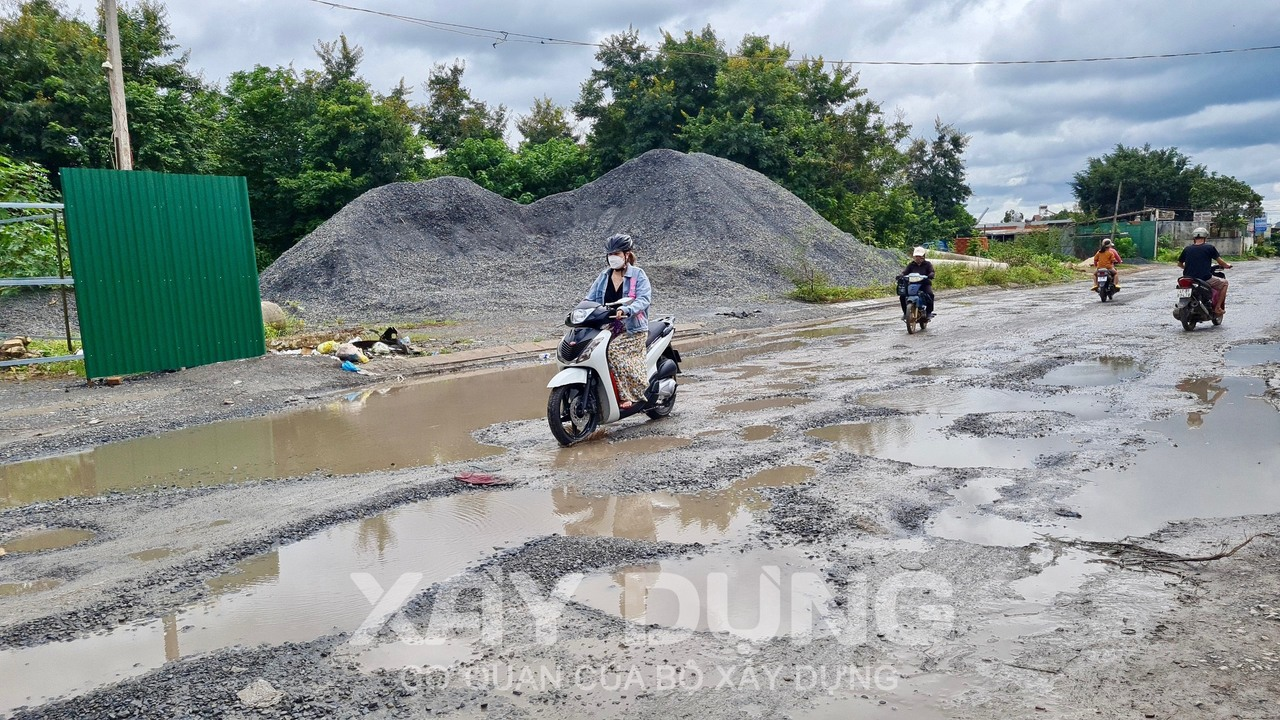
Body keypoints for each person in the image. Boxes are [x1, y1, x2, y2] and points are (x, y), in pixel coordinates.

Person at [583, 233, 652, 410]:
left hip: (632, 329)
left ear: (627, 255)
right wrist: (580, 311)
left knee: (613, 352)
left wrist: (626, 310)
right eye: (610, 254)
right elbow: (590, 298)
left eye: (617, 254)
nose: (612, 258)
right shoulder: (604, 277)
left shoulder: (638, 275)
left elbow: (644, 299)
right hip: (607, 327)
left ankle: (627, 395)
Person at [1177, 227, 1232, 318]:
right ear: (1205, 237)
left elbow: (1179, 264)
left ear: (1194, 238)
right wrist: (1227, 265)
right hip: (1205, 278)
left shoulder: (1187, 249)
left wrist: (1187, 268)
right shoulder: (1210, 248)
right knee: (1225, 283)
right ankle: (1217, 307)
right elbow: (1220, 262)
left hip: (1188, 278)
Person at [899, 246, 936, 320]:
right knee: (902, 296)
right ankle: (905, 313)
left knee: (930, 294)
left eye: (919, 256)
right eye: (916, 256)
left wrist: (930, 275)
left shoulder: (928, 264)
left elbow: (932, 271)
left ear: (923, 256)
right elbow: (905, 272)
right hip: (912, 284)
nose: (917, 258)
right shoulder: (911, 265)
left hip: (924, 283)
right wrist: (901, 275)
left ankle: (929, 312)